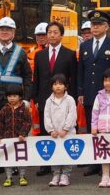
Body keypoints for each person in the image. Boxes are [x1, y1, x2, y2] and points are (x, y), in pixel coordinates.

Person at [77, 10, 110, 177]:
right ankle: (95, 162)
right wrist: (81, 91)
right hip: (90, 94)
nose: (95, 27)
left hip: (109, 95)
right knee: (93, 128)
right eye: (93, 25)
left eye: (98, 25)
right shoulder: (85, 46)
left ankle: (109, 160)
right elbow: (81, 71)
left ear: (106, 27)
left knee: (109, 128)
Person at [30, 21, 77, 176]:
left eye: (55, 32)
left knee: (63, 129)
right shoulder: (39, 55)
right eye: (49, 32)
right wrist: (36, 98)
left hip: (63, 99)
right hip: (45, 98)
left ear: (61, 35)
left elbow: (73, 79)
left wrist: (73, 99)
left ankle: (63, 162)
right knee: (46, 130)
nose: (52, 35)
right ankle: (46, 164)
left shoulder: (69, 54)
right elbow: (36, 78)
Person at [0, 16, 33, 113]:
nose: (4, 32)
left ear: (13, 33)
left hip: (15, 101)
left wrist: (26, 99)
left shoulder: (21, 52)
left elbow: (27, 77)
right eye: (2, 29)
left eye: (8, 29)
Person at [44, 74, 78, 186]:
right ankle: (56, 174)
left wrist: (66, 129)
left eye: (60, 84)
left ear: (66, 86)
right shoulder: (49, 101)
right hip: (54, 134)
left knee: (67, 153)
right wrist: (51, 130)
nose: (58, 86)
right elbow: (46, 116)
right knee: (55, 153)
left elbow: (72, 115)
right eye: (55, 84)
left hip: (67, 133)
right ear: (51, 86)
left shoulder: (70, 100)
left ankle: (65, 175)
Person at [0, 84, 32, 187]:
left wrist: (23, 133)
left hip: (20, 139)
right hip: (7, 140)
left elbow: (28, 122)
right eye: (9, 96)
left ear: (20, 97)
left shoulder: (24, 109)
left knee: (21, 158)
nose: (12, 98)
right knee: (8, 159)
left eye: (14, 96)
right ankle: (8, 177)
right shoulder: (4, 109)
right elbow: (0, 123)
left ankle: (22, 177)